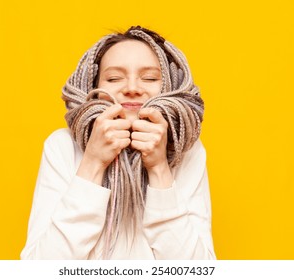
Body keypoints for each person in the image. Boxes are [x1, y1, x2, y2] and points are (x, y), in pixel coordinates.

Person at [20, 26, 216, 260]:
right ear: (93, 87)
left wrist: (159, 168)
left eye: (150, 78)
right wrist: (92, 162)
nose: (132, 89)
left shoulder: (188, 151)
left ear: (169, 86)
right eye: (114, 78)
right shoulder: (62, 146)